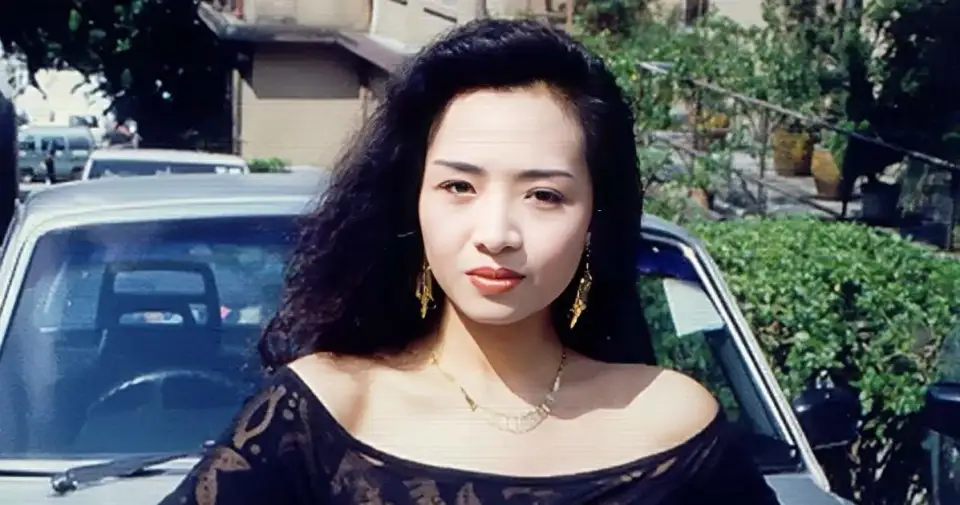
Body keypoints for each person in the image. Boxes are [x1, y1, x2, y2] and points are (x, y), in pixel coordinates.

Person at [160, 18, 781, 505]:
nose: (496, 234)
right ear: (413, 201)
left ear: (597, 215)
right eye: (459, 187)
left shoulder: (670, 423)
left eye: (544, 195)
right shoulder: (325, 411)